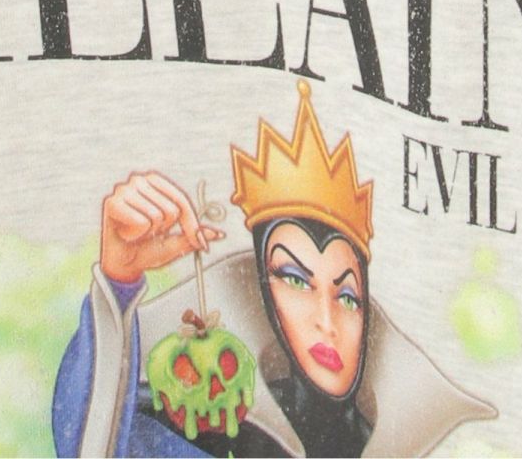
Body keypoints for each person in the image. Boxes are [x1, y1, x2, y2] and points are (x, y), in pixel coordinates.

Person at [52, 79, 497, 457]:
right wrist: (120, 277)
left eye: (346, 296)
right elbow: (93, 441)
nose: (326, 321)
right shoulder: (201, 427)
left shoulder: (390, 438)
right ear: (263, 290)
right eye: (295, 280)